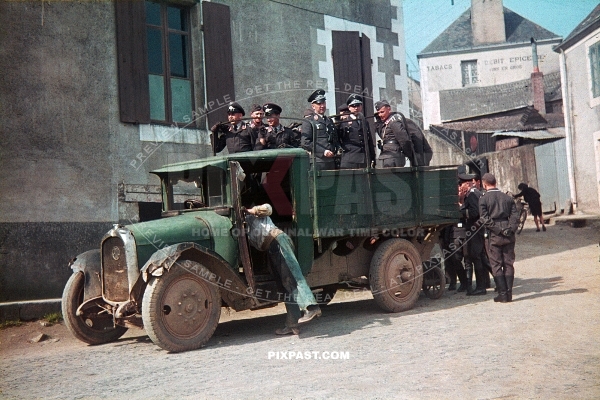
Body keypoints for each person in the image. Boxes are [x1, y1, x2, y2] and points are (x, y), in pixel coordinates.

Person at [244, 204, 322, 334]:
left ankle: (312, 307)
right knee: (284, 286)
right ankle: (293, 324)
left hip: (279, 241)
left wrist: (251, 210)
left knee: (293, 277)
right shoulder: (246, 229)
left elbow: (269, 208)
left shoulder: (255, 214)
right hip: (271, 248)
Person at [479, 173, 519, 303]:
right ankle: (509, 294)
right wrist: (510, 229)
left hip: (493, 235)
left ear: (484, 184)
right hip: (508, 233)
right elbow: (515, 217)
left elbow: (485, 219)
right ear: (495, 182)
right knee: (508, 263)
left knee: (496, 264)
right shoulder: (507, 198)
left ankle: (503, 294)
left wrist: (498, 230)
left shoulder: (483, 199)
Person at [458, 173, 487, 296]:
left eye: (461, 184)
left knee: (477, 257)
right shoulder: (471, 194)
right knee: (478, 257)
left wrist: (462, 212)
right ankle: (484, 284)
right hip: (475, 230)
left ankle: (481, 287)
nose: (460, 187)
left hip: (475, 229)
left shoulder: (473, 195)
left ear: (467, 184)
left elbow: (475, 212)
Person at [301, 89, 338, 170]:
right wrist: (323, 151)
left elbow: (334, 138)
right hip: (318, 161)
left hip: (331, 161)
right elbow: (305, 142)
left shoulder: (329, 121)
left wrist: (335, 149)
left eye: (323, 103)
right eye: (319, 103)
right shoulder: (309, 121)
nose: (322, 106)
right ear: (313, 106)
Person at [337, 94, 375, 169]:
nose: (356, 108)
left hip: (363, 159)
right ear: (349, 107)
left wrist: (372, 157)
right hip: (350, 158)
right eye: (353, 106)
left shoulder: (364, 121)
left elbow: (369, 140)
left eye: (358, 105)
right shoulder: (343, 122)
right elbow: (338, 138)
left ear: (361, 106)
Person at [374, 100, 414, 167]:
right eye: (378, 113)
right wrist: (378, 120)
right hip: (385, 156)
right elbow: (381, 133)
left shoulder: (394, 121)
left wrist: (408, 153)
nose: (380, 115)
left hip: (394, 156)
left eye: (382, 112)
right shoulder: (384, 123)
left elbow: (404, 139)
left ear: (389, 109)